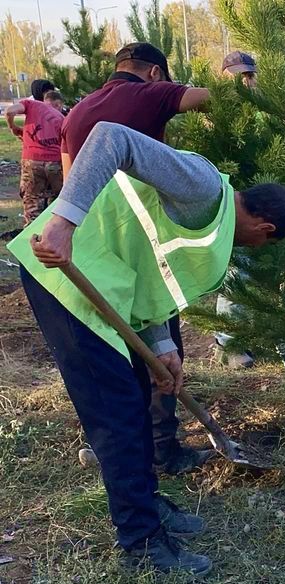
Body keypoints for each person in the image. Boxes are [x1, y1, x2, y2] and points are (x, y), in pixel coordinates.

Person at [8, 121, 285, 575]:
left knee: (134, 399)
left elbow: (153, 267)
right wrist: (64, 222)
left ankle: (148, 503)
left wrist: (162, 345)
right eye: (264, 243)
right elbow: (111, 137)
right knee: (116, 412)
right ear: (265, 229)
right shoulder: (203, 186)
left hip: (106, 283)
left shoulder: (211, 216)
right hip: (63, 277)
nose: (256, 247)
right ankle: (141, 543)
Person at [62, 42, 213, 474]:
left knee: (112, 350)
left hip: (91, 246)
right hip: (141, 240)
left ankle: (116, 446)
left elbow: (71, 178)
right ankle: (165, 447)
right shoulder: (150, 93)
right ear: (153, 73)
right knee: (163, 346)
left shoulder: (76, 112)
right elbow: (210, 98)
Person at [213, 50, 260, 368]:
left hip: (263, 204)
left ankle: (284, 343)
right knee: (237, 273)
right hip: (231, 207)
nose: (244, 82)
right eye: (238, 76)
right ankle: (228, 345)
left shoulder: (265, 114)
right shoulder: (212, 114)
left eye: (249, 75)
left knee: (277, 275)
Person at [5, 90, 65, 225]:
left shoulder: (32, 105)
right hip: (56, 162)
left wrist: (13, 127)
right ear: (59, 104)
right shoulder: (63, 118)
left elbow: (9, 111)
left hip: (32, 161)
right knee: (57, 201)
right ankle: (53, 232)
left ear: (45, 100)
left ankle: (31, 237)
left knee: (32, 201)